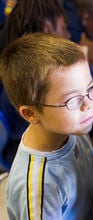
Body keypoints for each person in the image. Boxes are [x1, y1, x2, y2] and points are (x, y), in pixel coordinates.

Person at [0, 33, 93, 219]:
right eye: (72, 100)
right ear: (31, 114)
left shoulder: (72, 126)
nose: (88, 105)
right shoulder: (39, 189)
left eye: (90, 89)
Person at [0, 0, 71, 169]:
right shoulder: (39, 80)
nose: (68, 35)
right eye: (64, 27)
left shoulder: (20, 63)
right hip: (32, 157)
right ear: (47, 27)